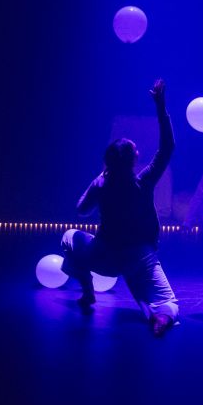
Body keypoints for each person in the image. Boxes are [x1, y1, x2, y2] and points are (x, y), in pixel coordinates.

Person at [60, 78, 178, 336]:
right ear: (134, 159)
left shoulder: (102, 184)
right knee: (167, 303)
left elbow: (81, 210)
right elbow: (167, 148)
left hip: (104, 256)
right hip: (139, 257)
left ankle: (88, 291)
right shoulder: (143, 182)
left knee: (69, 236)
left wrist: (97, 183)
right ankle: (162, 319)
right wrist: (160, 106)